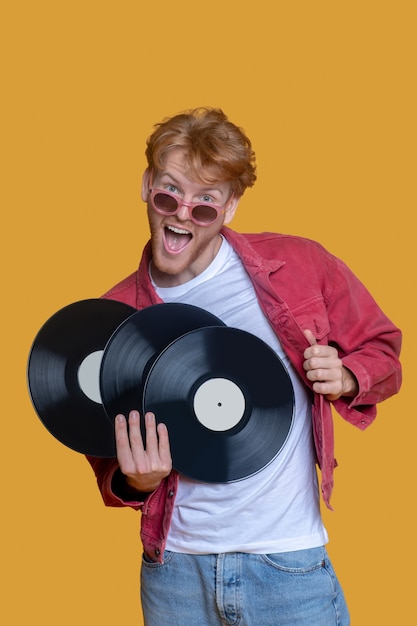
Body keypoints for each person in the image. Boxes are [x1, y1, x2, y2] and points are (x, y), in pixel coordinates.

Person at [86, 107, 402, 625]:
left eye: (205, 202)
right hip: (174, 575)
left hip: (286, 564)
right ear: (146, 186)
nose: (182, 213)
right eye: (169, 191)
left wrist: (347, 376)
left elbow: (384, 353)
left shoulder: (302, 264)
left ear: (230, 207)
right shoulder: (114, 316)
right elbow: (106, 459)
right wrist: (136, 482)